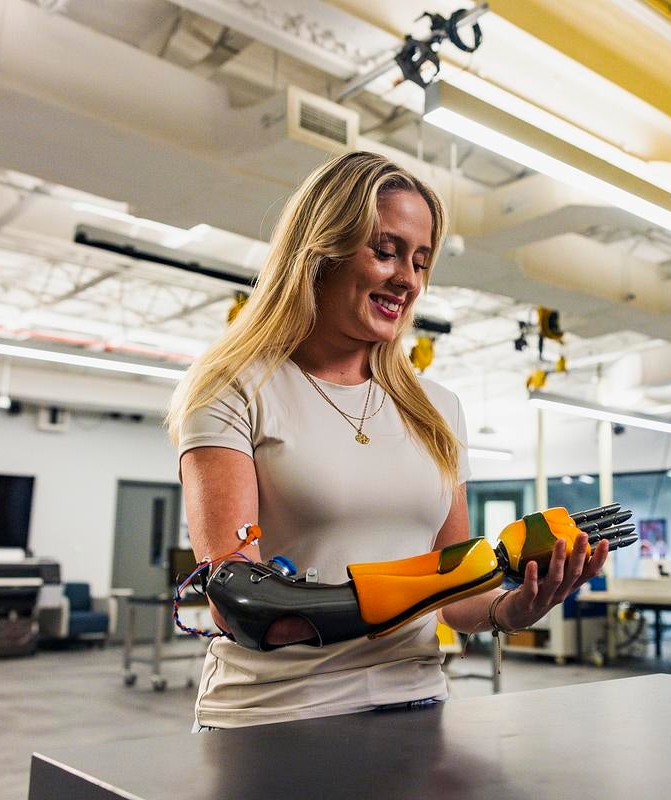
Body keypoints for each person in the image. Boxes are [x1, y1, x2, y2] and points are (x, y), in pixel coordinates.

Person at [166, 151, 609, 730]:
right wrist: (437, 581)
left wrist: (510, 606)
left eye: (422, 261)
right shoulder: (233, 388)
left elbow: (459, 598)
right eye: (386, 251)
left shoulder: (438, 409)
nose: (409, 279)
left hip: (415, 701)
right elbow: (245, 606)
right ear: (321, 249)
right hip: (274, 714)